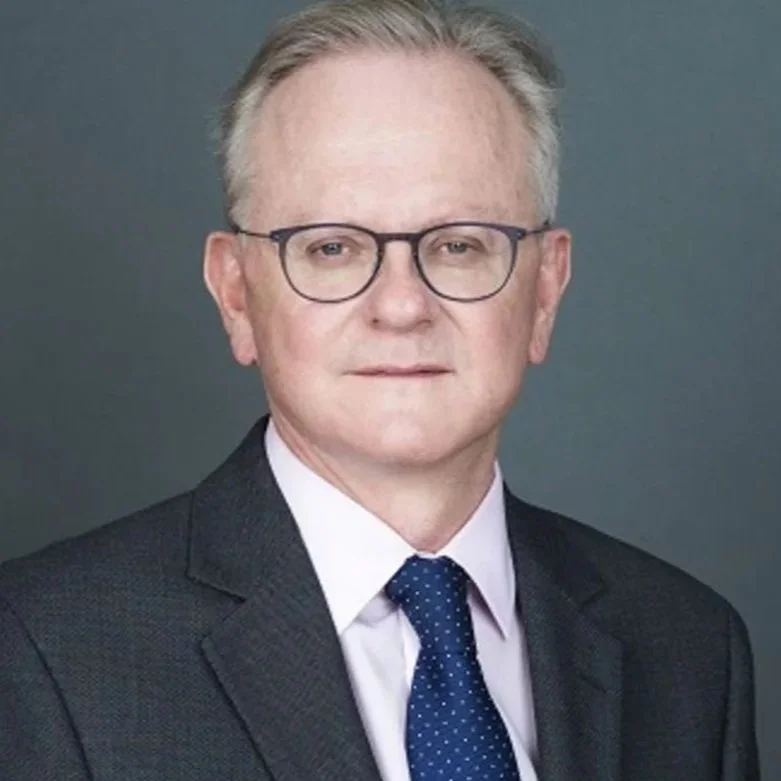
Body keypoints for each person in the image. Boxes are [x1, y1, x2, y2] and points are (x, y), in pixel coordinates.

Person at [0, 0, 760, 778]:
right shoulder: (41, 651)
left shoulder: (687, 648)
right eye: (331, 247)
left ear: (543, 290)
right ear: (235, 294)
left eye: (459, 244)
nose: (400, 305)